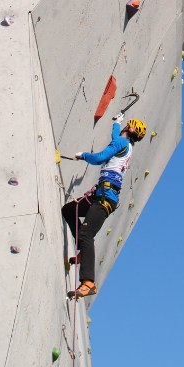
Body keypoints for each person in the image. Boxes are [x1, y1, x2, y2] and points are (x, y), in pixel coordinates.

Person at [62, 113, 147, 299]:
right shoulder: (127, 146)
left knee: (86, 234)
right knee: (69, 210)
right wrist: (117, 123)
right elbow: (116, 139)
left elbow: (100, 158)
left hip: (104, 198)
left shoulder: (122, 144)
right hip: (102, 195)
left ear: (129, 129)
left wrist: (83, 155)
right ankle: (83, 253)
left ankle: (88, 282)